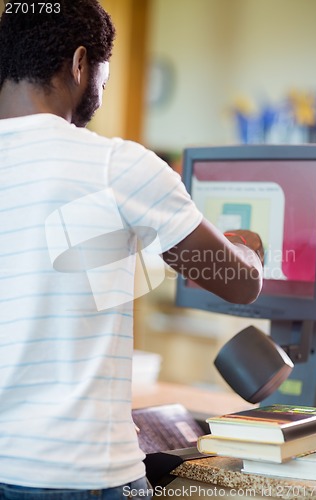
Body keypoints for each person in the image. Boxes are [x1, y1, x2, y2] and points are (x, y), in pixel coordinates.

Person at [0, 0, 264, 498]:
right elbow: (240, 283)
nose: (101, 88)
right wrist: (248, 247)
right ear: (80, 64)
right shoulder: (114, 165)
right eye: (103, 73)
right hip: (81, 477)